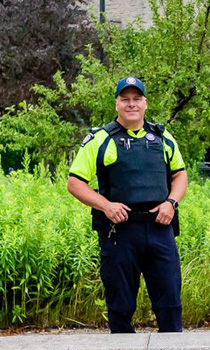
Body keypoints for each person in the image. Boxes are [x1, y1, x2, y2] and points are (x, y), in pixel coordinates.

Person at [67, 77, 188, 333]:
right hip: (119, 233)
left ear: (145, 103)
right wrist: (106, 205)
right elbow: (75, 183)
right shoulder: (101, 139)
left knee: (170, 304)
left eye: (136, 99)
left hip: (160, 228)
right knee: (120, 307)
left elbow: (180, 174)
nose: (131, 104)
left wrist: (171, 202)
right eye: (125, 99)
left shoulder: (162, 137)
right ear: (117, 104)